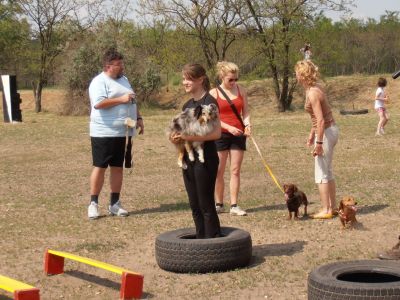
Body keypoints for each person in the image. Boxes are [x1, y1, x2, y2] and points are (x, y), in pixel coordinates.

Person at [87, 49, 144, 220]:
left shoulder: (124, 80)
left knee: (118, 168)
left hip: (122, 132)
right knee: (100, 166)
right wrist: (121, 99)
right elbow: (98, 104)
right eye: (118, 64)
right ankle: (93, 204)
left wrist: (138, 117)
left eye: (122, 63)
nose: (122, 67)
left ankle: (114, 204)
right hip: (103, 132)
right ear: (108, 66)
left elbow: (131, 99)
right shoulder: (99, 82)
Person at [169, 63, 222, 238]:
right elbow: (181, 131)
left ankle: (213, 244)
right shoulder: (187, 105)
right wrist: (175, 138)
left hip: (206, 159)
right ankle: (200, 244)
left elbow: (216, 133)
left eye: (188, 79)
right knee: (194, 205)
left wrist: (187, 138)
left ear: (200, 79)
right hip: (188, 159)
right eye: (184, 79)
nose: (184, 82)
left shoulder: (210, 102)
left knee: (206, 204)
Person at [295, 60, 339, 219]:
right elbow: (317, 118)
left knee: (321, 173)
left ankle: (326, 209)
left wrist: (319, 143)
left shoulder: (313, 93)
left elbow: (320, 120)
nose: (296, 76)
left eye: (297, 73)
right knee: (328, 171)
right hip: (329, 130)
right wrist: (312, 133)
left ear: (301, 75)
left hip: (326, 132)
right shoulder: (315, 88)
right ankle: (332, 207)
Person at [209, 61, 251, 216]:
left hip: (238, 134)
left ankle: (234, 205)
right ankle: (219, 204)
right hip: (220, 134)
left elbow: (245, 112)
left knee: (235, 170)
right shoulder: (214, 93)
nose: (233, 82)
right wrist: (228, 127)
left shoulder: (241, 90)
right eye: (230, 80)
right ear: (222, 76)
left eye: (236, 79)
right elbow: (212, 117)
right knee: (219, 170)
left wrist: (247, 125)